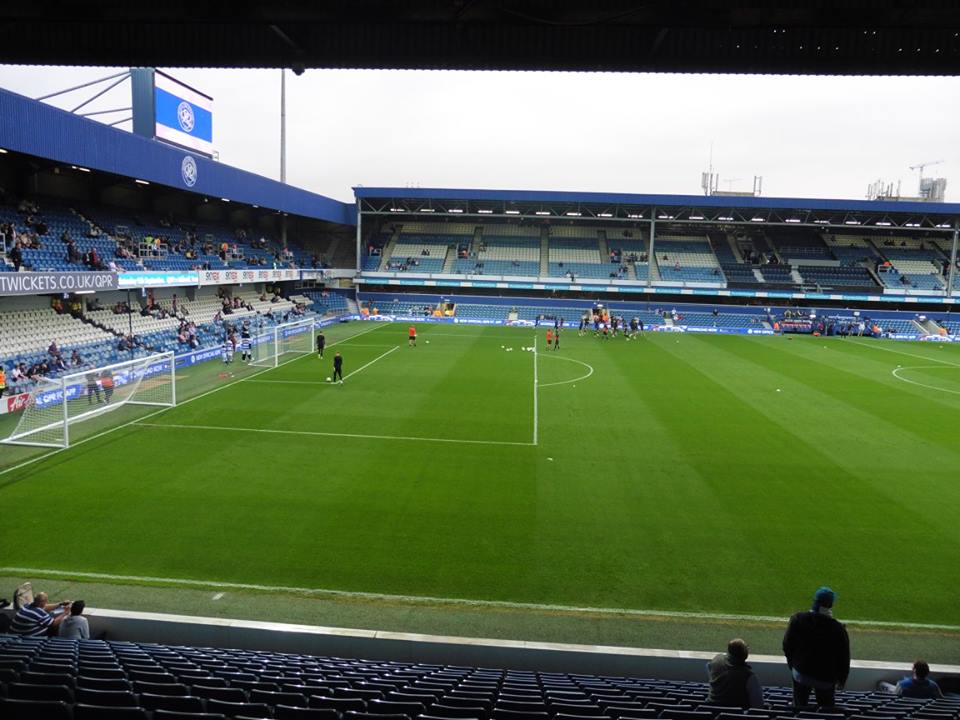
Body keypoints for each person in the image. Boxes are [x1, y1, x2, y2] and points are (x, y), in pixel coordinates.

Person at [783, 586, 850, 708]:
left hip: (800, 673)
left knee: (799, 705)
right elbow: (844, 657)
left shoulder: (798, 619)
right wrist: (842, 680)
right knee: (826, 708)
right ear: (831, 605)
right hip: (826, 679)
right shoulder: (838, 629)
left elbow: (787, 645)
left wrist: (792, 665)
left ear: (815, 601)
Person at [706, 638, 764, 708]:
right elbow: (758, 704)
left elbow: (709, 669)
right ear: (745, 654)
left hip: (712, 709)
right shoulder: (749, 676)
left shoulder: (717, 659)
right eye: (746, 648)